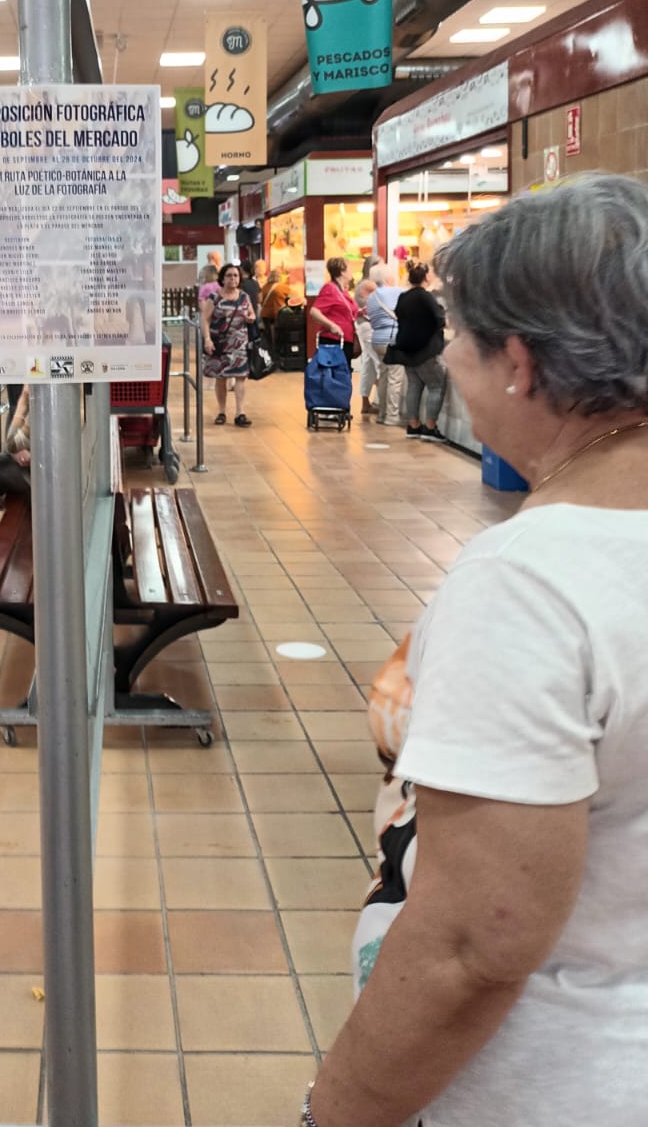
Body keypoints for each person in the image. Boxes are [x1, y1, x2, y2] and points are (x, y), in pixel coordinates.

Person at [307, 173, 648, 1127]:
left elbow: (471, 944)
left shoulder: (533, 583)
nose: (446, 357)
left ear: (523, 363)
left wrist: (330, 1113)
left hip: (565, 1082)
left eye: (460, 334)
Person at [391, 261, 448, 441]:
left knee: (414, 387)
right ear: (426, 277)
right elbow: (439, 319)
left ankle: (413, 424)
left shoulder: (403, 297)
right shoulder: (426, 297)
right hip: (426, 350)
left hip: (407, 349)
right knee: (436, 385)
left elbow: (399, 316)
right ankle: (430, 427)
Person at [201, 262, 255, 428]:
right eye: (229, 276)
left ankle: (240, 413)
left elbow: (251, 312)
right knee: (221, 378)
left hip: (239, 344)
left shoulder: (244, 296)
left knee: (240, 377)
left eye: (236, 276)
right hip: (220, 343)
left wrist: (250, 317)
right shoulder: (215, 298)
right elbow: (205, 319)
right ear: (222, 279)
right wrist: (207, 339)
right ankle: (222, 411)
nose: (233, 279)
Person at [365, 262, 405, 426]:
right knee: (395, 378)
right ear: (388, 277)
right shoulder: (395, 292)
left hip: (377, 339)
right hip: (393, 339)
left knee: (383, 376)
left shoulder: (372, 297)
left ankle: (381, 413)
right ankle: (392, 415)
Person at [309, 256, 357, 353]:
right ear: (342, 272)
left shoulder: (343, 291)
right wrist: (331, 325)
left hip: (345, 339)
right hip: (334, 340)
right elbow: (314, 311)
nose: (352, 272)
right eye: (350, 269)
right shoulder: (330, 289)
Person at [354, 275, 380, 417]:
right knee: (380, 364)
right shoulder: (369, 286)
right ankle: (384, 404)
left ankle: (366, 403)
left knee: (368, 365)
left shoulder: (362, 288)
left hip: (363, 326)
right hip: (369, 328)